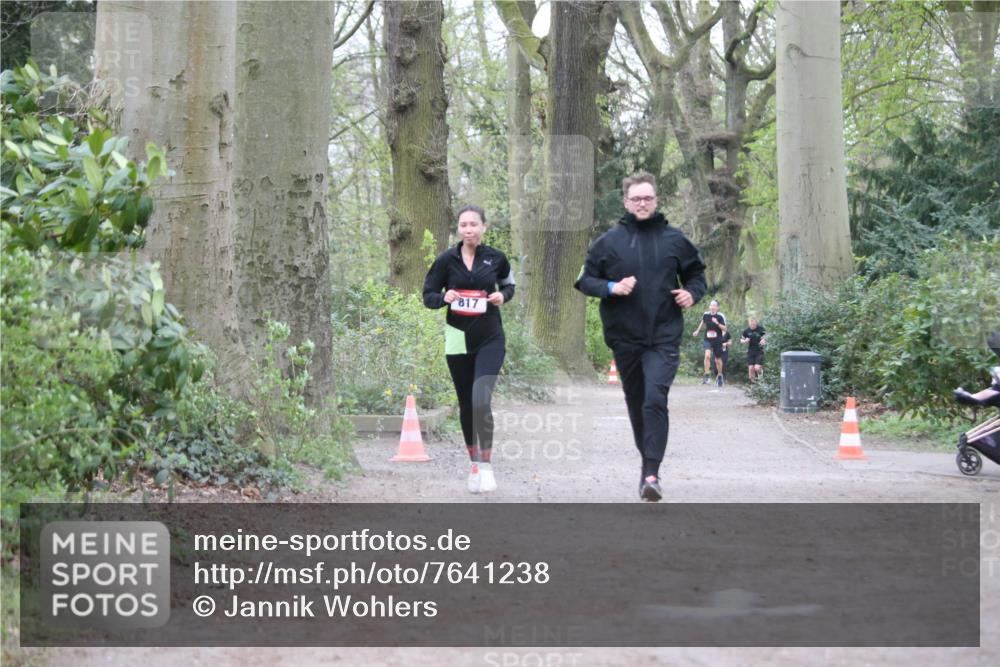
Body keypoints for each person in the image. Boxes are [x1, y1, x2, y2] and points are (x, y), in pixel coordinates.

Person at [574, 171, 707, 502]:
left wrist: (691, 293)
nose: (643, 203)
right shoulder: (608, 242)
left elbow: (696, 276)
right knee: (636, 403)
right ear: (626, 202)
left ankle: (651, 473)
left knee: (654, 399)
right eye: (637, 199)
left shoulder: (675, 240)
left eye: (648, 198)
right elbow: (584, 280)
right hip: (625, 338)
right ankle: (647, 465)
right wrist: (611, 287)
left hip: (664, 336)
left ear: (656, 200)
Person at [423, 205, 515, 494]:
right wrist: (444, 297)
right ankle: (474, 463)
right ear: (458, 229)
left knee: (480, 398)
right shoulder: (445, 260)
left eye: (474, 224)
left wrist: (503, 296)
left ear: (483, 227)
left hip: (490, 337)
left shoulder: (496, 258)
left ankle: (486, 466)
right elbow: (428, 295)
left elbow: (509, 286)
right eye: (463, 225)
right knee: (466, 402)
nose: (468, 229)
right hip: (457, 338)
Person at [691, 299, 727, 386]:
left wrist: (717, 323)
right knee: (707, 355)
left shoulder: (720, 316)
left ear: (717, 307)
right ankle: (706, 375)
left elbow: (725, 329)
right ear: (709, 307)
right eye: (711, 305)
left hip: (718, 340)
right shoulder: (706, 315)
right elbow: (702, 322)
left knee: (717, 359)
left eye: (714, 305)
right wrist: (697, 330)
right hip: (707, 339)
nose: (712, 307)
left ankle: (719, 376)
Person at [740, 316, 767, 382]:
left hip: (759, 351)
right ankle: (754, 385)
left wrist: (764, 340)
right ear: (749, 323)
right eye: (751, 324)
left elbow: (766, 337)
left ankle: (761, 379)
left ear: (756, 323)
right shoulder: (746, 331)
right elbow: (741, 340)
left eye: (753, 324)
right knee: (751, 369)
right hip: (751, 351)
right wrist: (745, 341)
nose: (752, 325)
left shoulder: (761, 329)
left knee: (757, 368)